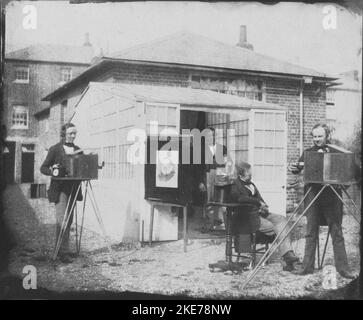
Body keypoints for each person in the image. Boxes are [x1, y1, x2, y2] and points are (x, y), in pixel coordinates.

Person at [289, 123, 355, 279]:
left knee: (336, 232)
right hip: (312, 194)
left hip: (332, 196)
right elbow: (298, 168)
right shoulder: (308, 152)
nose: (317, 139)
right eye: (314, 136)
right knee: (311, 231)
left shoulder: (337, 152)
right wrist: (294, 168)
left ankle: (343, 269)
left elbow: (347, 172)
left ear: (327, 136)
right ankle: (307, 267)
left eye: (320, 136)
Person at [230, 161, 299, 271]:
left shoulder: (251, 185)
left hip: (259, 213)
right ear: (240, 174)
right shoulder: (235, 184)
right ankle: (286, 257)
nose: (251, 174)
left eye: (250, 172)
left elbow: (260, 199)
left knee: (282, 220)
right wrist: (257, 202)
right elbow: (240, 198)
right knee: (275, 227)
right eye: (248, 173)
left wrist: (264, 205)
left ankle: (287, 255)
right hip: (247, 217)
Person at [40, 123, 83, 263]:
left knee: (69, 220)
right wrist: (52, 171)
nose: (73, 135)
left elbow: (83, 166)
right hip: (60, 189)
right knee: (61, 219)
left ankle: (63, 249)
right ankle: (60, 251)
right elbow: (43, 168)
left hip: (73, 188)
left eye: (74, 133)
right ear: (63, 134)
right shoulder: (54, 149)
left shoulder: (78, 150)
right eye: (70, 133)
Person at [198, 127, 228, 231]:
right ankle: (209, 224)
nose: (210, 137)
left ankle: (219, 224)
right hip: (207, 176)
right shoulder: (201, 150)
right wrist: (201, 181)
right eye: (208, 135)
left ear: (215, 136)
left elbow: (225, 163)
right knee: (208, 199)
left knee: (219, 199)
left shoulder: (222, 148)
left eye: (212, 135)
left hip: (219, 175)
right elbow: (198, 168)